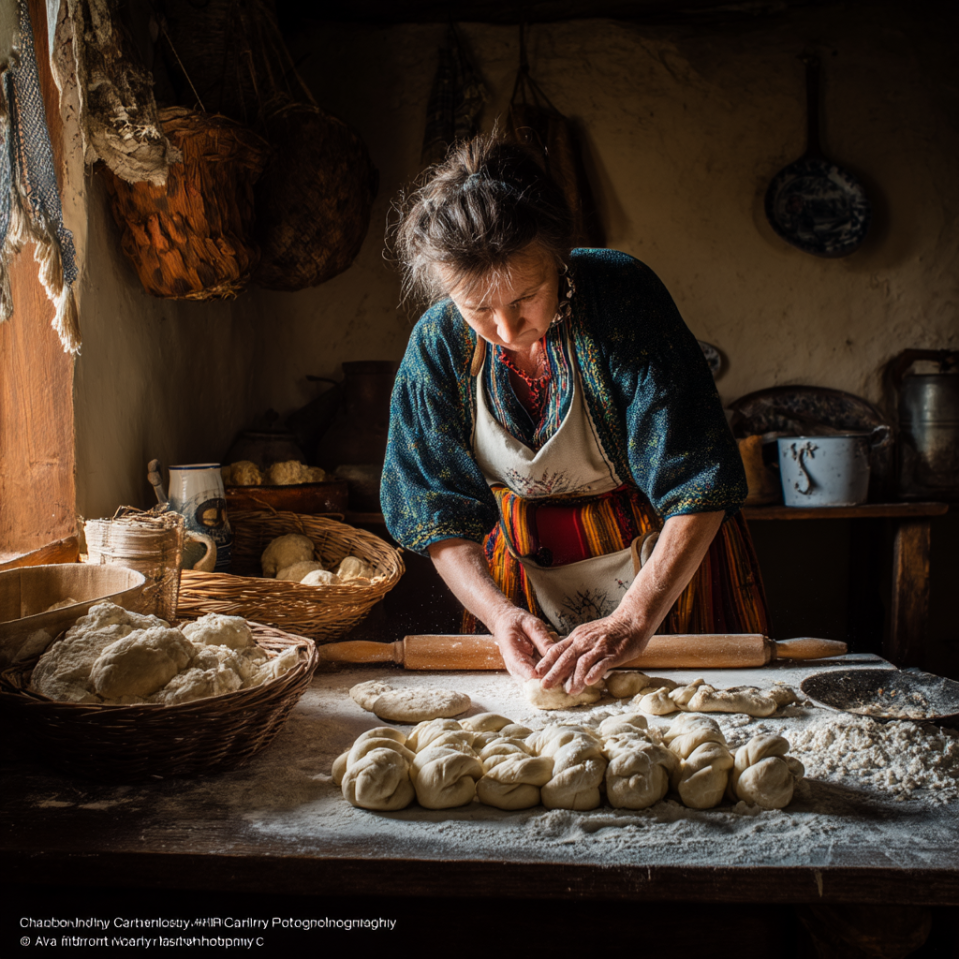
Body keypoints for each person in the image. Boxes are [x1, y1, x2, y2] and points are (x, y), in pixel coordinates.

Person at [381, 133, 768, 695]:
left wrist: (633, 620)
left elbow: (698, 483)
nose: (506, 329)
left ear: (560, 259)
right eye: (478, 308)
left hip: (665, 575)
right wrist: (499, 615)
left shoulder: (619, 298)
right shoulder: (438, 344)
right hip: (519, 578)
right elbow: (437, 512)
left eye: (525, 297)